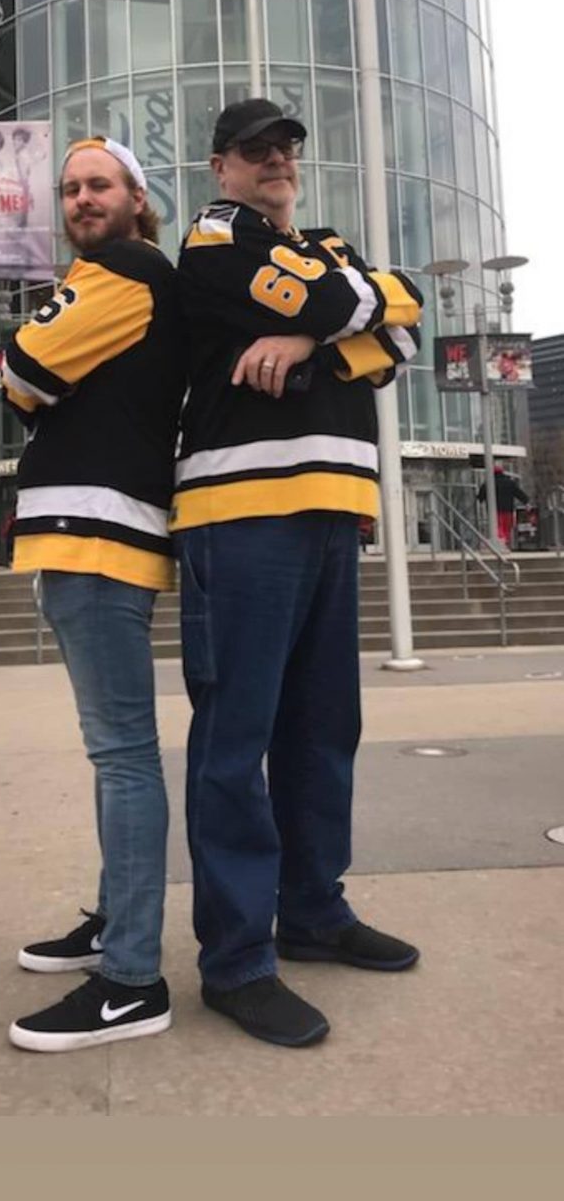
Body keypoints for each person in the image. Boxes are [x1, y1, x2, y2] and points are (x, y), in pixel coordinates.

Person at [171, 98, 424, 1048]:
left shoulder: (323, 246)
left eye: (285, 147)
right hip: (241, 511)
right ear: (220, 167)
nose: (275, 159)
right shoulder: (216, 239)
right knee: (236, 739)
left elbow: (404, 324)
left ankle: (313, 909)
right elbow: (357, 308)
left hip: (330, 509)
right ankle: (237, 959)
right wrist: (339, 317)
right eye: (254, 150)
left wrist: (310, 339)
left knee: (323, 728)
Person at [0, 135, 184, 1053]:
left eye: (99, 184)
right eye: (71, 187)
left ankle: (132, 981)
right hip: (90, 528)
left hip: (97, 531)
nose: (81, 198)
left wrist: (24, 361)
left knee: (122, 756)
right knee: (117, 755)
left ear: (135, 199)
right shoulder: (120, 278)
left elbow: (23, 372)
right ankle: (116, 925)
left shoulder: (123, 269)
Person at [478, 464, 529, 547]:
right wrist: (526, 502)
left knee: (497, 527)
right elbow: (519, 493)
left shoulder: (488, 483)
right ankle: (505, 542)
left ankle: (500, 542)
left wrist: (480, 499)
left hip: (494, 511)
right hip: (508, 510)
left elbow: (481, 495)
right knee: (507, 528)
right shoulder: (510, 483)